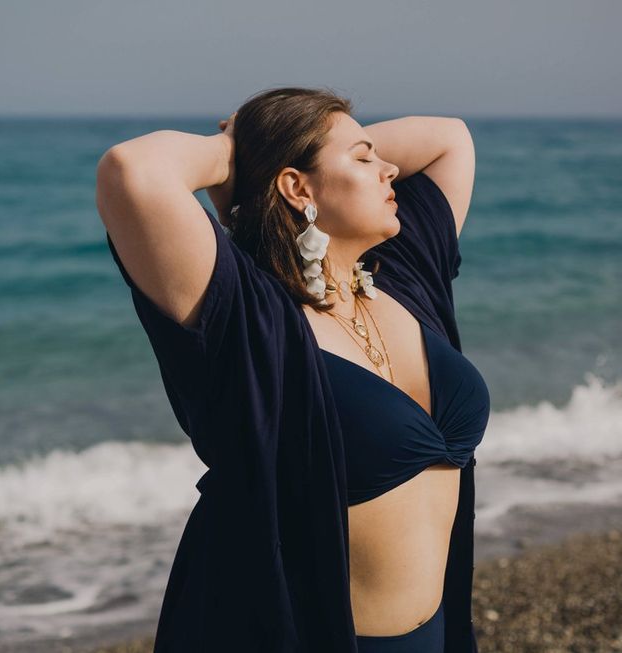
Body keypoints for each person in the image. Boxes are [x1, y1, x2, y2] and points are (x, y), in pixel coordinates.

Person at [96, 86, 490, 653]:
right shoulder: (253, 321)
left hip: (436, 635)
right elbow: (130, 170)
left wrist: (304, 149)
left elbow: (450, 138)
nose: (390, 169)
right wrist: (234, 152)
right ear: (297, 186)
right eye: (363, 158)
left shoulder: (403, 275)